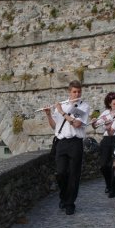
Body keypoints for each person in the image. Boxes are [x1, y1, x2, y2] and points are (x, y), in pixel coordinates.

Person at [44, 80, 90, 215]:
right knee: (60, 173)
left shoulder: (83, 107)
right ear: (69, 92)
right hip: (61, 142)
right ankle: (64, 197)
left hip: (75, 142)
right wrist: (48, 114)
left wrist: (61, 112)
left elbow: (76, 124)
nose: (77, 94)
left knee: (74, 174)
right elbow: (54, 126)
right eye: (74, 91)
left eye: (79, 91)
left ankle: (70, 203)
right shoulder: (62, 105)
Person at [91, 92, 115, 198]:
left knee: (114, 165)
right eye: (114, 104)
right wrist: (94, 122)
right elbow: (95, 126)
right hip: (106, 140)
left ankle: (113, 188)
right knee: (103, 165)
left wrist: (110, 126)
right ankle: (108, 184)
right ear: (109, 104)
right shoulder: (105, 113)